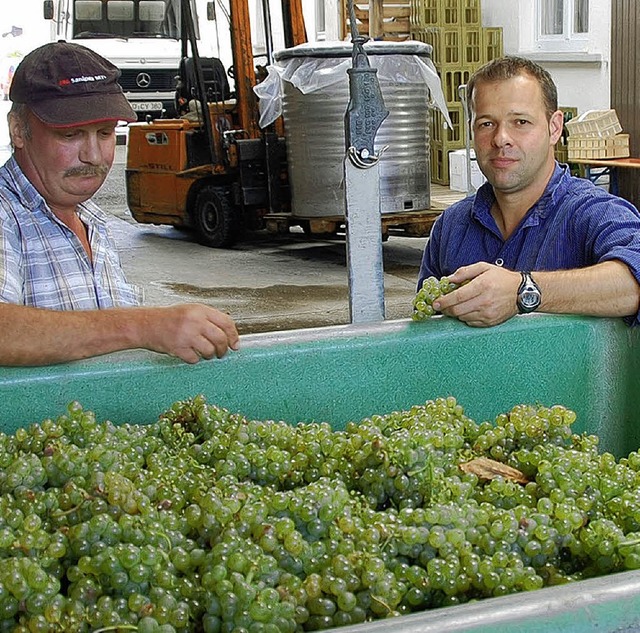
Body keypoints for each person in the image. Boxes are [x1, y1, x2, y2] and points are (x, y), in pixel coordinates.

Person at [0, 41, 239, 366]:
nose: (93, 156)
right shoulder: (6, 214)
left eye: (105, 133)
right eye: (70, 136)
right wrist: (143, 326)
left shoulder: (91, 220)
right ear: (18, 130)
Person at [418, 55, 640, 328]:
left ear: (554, 128)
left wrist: (524, 290)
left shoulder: (592, 213)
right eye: (486, 123)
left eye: (520, 122)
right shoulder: (451, 227)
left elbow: (635, 279)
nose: (501, 139)